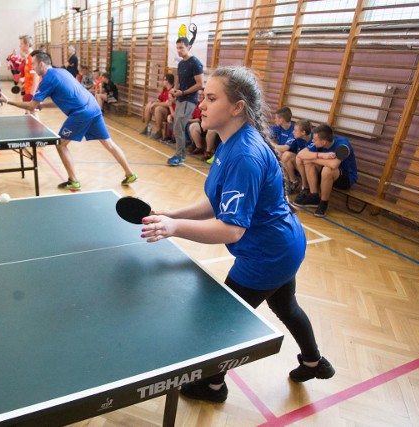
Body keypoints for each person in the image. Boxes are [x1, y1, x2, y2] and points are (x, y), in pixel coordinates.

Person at [140, 66, 335, 403]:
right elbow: (218, 203)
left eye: (211, 97)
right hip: (285, 243)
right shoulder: (230, 143)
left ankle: (213, 386)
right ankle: (314, 361)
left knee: (216, 321)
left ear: (236, 107)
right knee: (286, 307)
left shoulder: (244, 153)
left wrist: (174, 229)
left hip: (268, 255)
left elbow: (231, 228)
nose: (201, 103)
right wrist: (173, 214)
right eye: (203, 96)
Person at [0, 52, 138, 190]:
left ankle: (73, 180)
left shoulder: (47, 79)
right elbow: (63, 99)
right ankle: (130, 173)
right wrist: (42, 106)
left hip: (81, 113)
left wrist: (8, 101)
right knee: (109, 144)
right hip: (93, 106)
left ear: (41, 64)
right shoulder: (61, 72)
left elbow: (31, 106)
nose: (32, 68)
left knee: (60, 145)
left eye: (34, 64)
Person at [294, 124, 357, 217]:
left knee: (327, 170)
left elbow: (333, 164)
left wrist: (311, 158)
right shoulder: (320, 142)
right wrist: (321, 155)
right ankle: (314, 196)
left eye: (314, 140)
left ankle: (324, 203)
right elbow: (300, 154)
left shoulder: (343, 145)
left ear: (323, 142)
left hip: (346, 178)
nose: (312, 141)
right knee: (309, 162)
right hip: (325, 174)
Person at [168, 37, 204, 166]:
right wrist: (175, 90)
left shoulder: (195, 63)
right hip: (181, 98)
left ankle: (180, 155)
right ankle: (180, 153)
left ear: (188, 47)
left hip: (189, 100)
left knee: (178, 126)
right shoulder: (181, 63)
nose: (179, 50)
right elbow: (178, 80)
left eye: (181, 47)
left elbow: (200, 84)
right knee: (177, 126)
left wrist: (183, 93)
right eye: (177, 48)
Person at [275, 119, 311, 194]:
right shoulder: (296, 136)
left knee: (301, 159)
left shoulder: (313, 140)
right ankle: (293, 182)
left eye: (295, 130)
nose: (293, 131)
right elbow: (285, 148)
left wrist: (269, 143)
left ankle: (305, 186)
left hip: (310, 165)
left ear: (303, 132)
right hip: (300, 162)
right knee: (285, 155)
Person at [140, 73, 175, 140]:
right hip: (163, 109)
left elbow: (168, 104)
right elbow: (159, 99)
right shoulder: (165, 90)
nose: (163, 81)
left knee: (158, 109)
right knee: (148, 105)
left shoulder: (172, 90)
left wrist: (156, 104)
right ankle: (147, 127)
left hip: (169, 111)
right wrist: (153, 102)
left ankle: (159, 131)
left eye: (164, 80)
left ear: (167, 81)